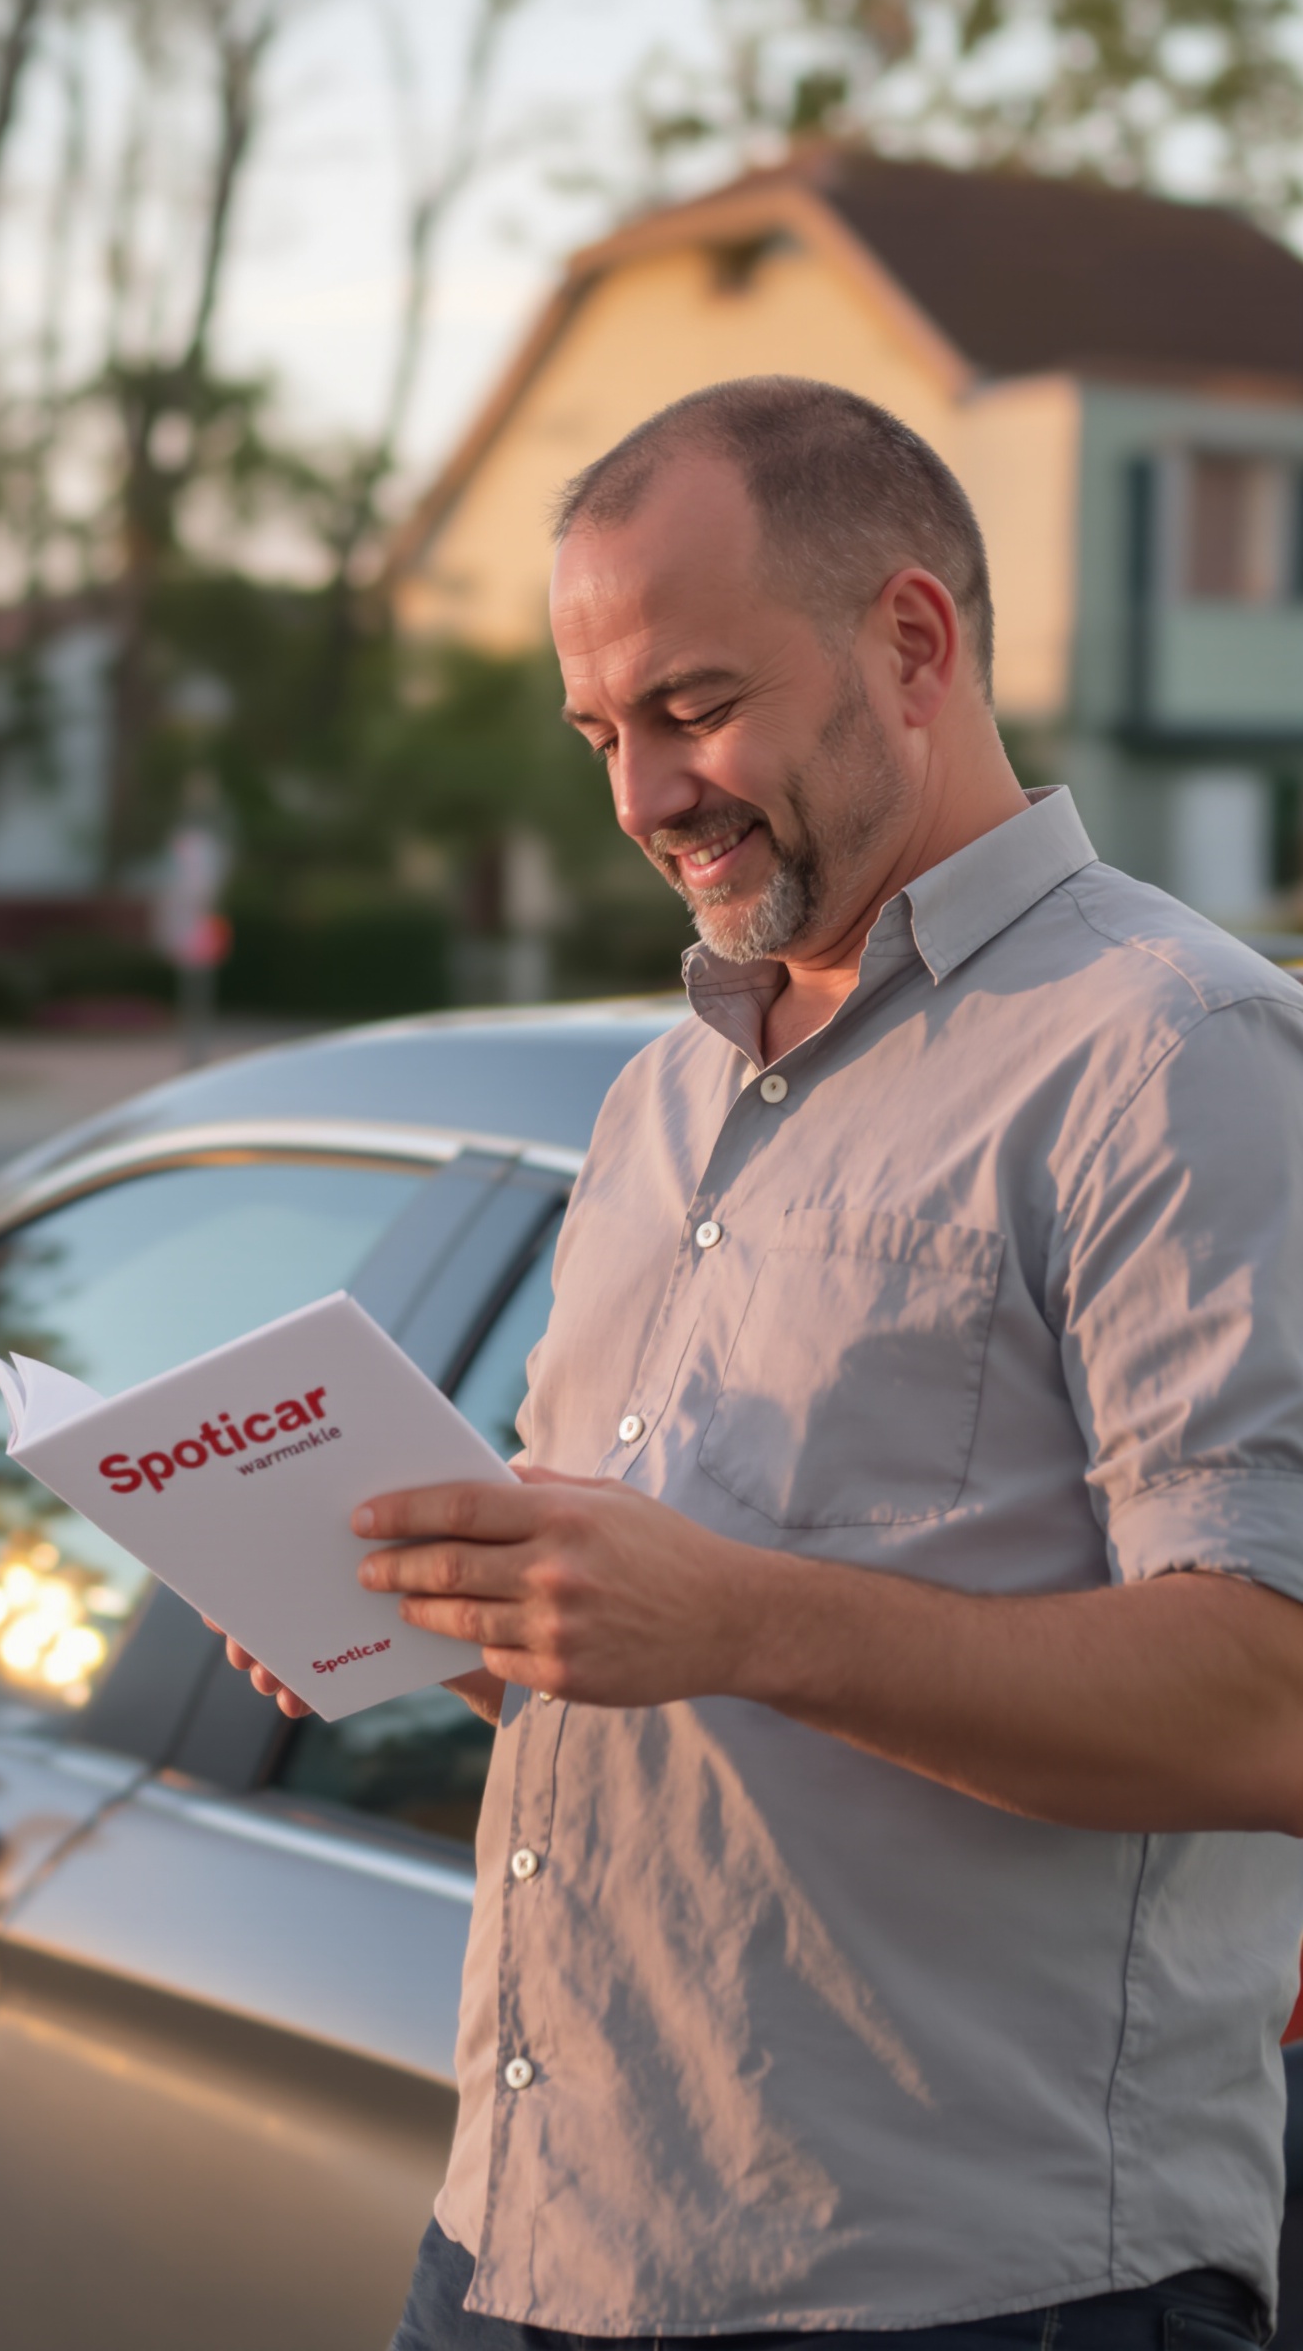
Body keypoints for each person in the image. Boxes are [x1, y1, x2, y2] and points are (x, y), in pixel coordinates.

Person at [219, 377, 1303, 2350]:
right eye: (599, 733)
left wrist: (723, 1614)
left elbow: (1265, 1700)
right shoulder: (655, 1097)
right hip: (524, 2245)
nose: (637, 797)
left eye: (691, 707)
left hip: (968, 2294)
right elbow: (663, 1673)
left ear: (910, 643)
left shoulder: (1176, 1054)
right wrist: (438, 1614)